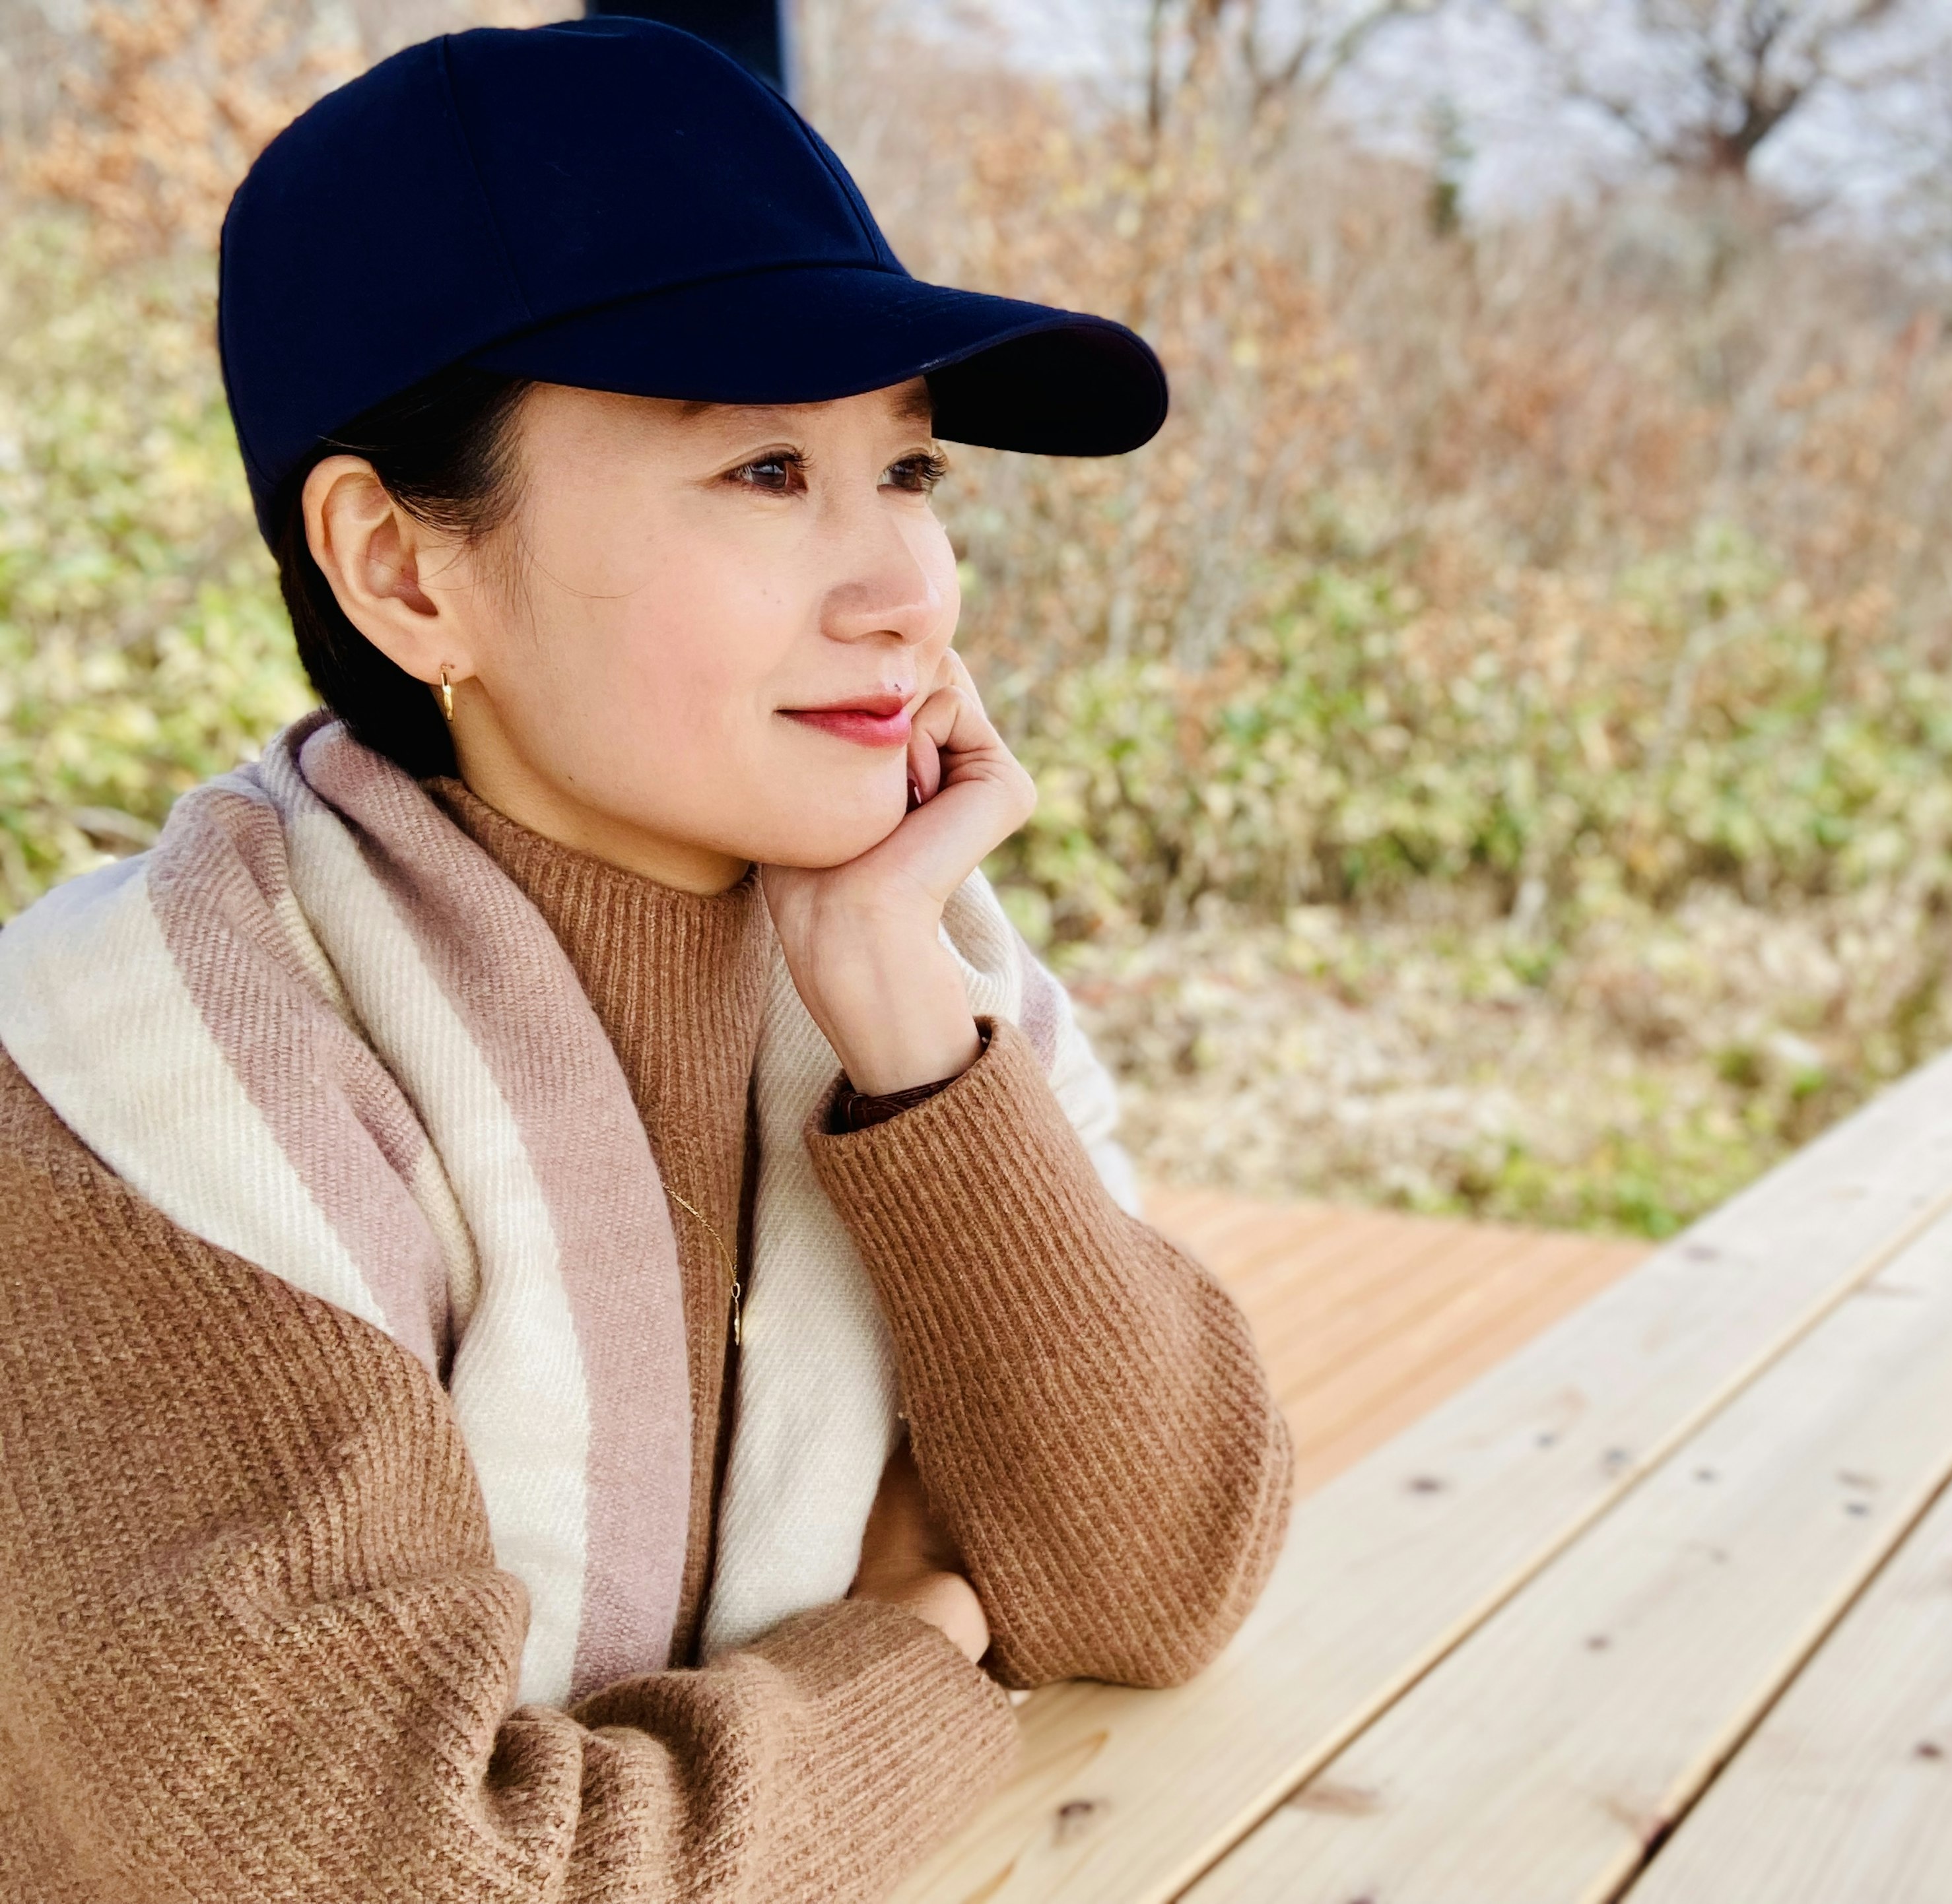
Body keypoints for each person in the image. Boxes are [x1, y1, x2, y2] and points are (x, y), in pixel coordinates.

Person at [0, 18, 1292, 1901]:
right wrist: (921, 1652)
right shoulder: (150, 1083)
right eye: (768, 470)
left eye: (912, 471)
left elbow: (1158, 1580)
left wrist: (915, 1040)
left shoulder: (918, 966)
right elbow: (403, 1877)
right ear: (404, 572)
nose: (905, 593)